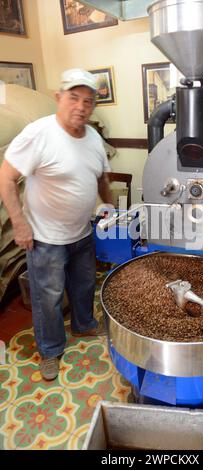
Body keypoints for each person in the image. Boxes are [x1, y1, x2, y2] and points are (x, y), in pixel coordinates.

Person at [0, 68, 113, 381]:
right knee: (47, 298)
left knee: (84, 285)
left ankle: (84, 324)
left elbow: (101, 176)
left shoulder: (92, 137)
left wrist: (107, 205)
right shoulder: (39, 133)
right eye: (74, 98)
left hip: (82, 232)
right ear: (58, 97)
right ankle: (50, 349)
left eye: (88, 101)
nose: (80, 106)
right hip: (46, 238)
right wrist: (19, 224)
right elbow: (6, 178)